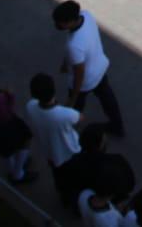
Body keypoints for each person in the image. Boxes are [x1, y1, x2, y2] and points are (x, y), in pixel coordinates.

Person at [53, 0, 125, 136]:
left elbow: (79, 74)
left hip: (85, 82)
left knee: (76, 106)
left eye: (60, 23)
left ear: (70, 21)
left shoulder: (74, 45)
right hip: (100, 68)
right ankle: (117, 125)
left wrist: (73, 97)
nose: (57, 25)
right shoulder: (86, 16)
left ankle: (69, 130)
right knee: (107, 97)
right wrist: (65, 62)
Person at [24, 73, 90, 204]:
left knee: (59, 176)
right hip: (70, 152)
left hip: (50, 153)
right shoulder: (64, 114)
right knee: (75, 177)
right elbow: (80, 118)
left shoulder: (30, 106)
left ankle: (64, 195)